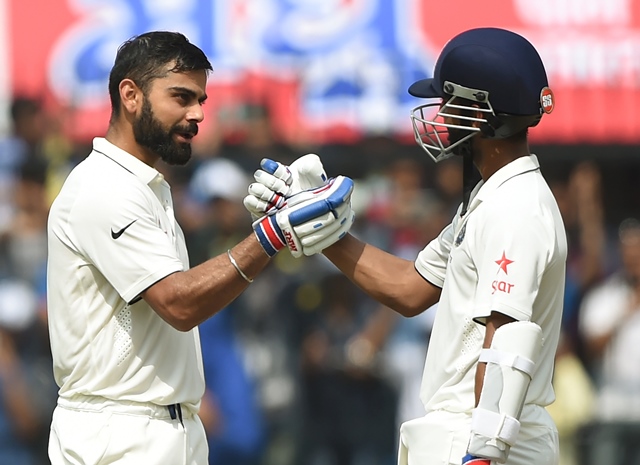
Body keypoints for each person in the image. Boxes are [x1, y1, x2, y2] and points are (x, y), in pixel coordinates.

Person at [245, 27, 565, 465]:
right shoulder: (490, 198)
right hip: (469, 434)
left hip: (483, 440)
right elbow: (410, 288)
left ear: (482, 111)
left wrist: (484, 452)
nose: (440, 115)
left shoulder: (515, 208)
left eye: (449, 103)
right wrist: (320, 228)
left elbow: (506, 338)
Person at [46, 31, 354, 465]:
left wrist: (267, 229)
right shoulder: (104, 188)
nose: (197, 114)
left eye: (201, 101)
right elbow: (179, 303)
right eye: (181, 97)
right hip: (118, 435)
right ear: (130, 95)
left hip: (163, 430)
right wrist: (272, 234)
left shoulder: (145, 186)